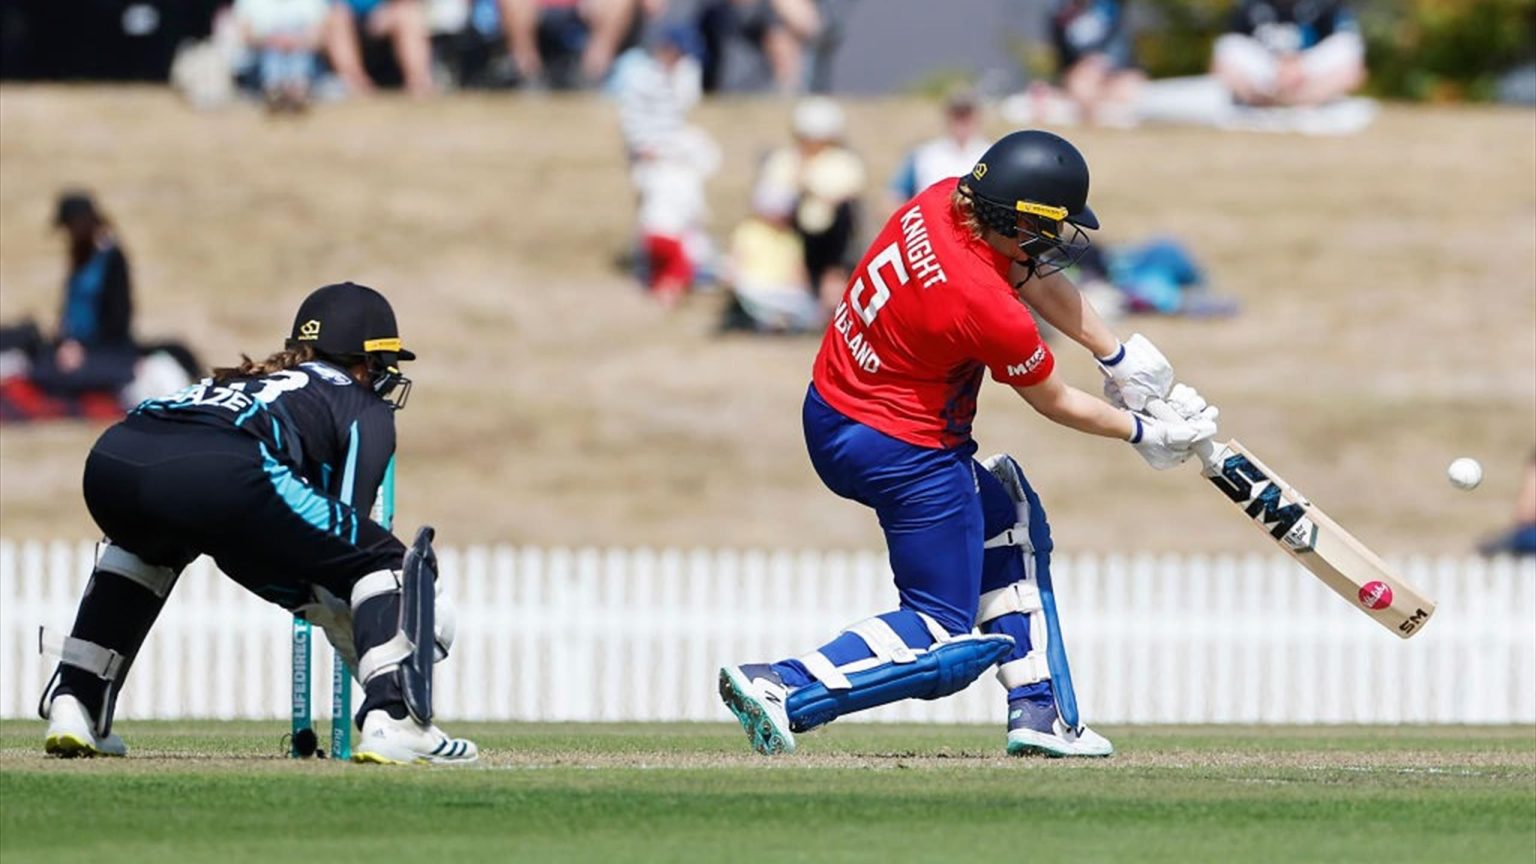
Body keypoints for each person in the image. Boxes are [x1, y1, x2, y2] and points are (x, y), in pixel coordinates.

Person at [717, 130, 1218, 757]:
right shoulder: (983, 305)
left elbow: (1029, 277)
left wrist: (1116, 355)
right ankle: (781, 685)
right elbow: (1054, 400)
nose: (1054, 242)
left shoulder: (942, 201)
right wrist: (1147, 431)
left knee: (1004, 520)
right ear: (1017, 219)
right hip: (904, 448)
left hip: (836, 410)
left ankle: (1040, 714)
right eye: (1048, 227)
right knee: (938, 631)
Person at [38, 282, 477, 765]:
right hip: (227, 469)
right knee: (386, 561)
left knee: (147, 546)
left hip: (114, 458)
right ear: (365, 361)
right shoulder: (360, 403)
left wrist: (304, 595)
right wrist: (347, 612)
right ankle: (397, 720)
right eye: (382, 366)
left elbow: (243, 545)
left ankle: (76, 701)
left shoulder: (244, 380)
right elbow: (347, 538)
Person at [753, 96, 865, 312]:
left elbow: (843, 198)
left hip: (831, 238)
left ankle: (831, 283)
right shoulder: (783, 160)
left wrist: (807, 185)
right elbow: (767, 201)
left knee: (843, 214)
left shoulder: (843, 162)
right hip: (788, 232)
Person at [1212, 0, 1365, 107]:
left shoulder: (1326, 5)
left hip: (1308, 71)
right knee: (1227, 45)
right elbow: (1226, 57)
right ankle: (1270, 101)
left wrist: (1298, 67)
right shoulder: (1250, 5)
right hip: (1267, 74)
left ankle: (1302, 99)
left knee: (1348, 44)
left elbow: (1354, 69)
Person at [886, 89, 991, 213]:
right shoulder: (923, 155)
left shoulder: (991, 155)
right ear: (948, 116)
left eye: (966, 114)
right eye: (957, 114)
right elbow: (894, 197)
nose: (962, 121)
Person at [1049, 0, 1145, 126]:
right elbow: (1065, 58)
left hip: (1116, 71)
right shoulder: (1062, 14)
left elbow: (1120, 48)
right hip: (1082, 74)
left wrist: (1106, 64)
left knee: (1128, 87)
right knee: (1083, 83)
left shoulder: (1110, 7)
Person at [325, 0, 436, 97]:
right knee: (337, 19)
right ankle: (356, 85)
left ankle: (419, 82)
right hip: (347, 29)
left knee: (407, 14)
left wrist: (387, 9)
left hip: (386, 21)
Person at [234, 0, 330, 109]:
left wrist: (294, 42)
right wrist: (272, 42)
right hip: (262, 59)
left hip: (304, 56)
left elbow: (320, 37)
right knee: (272, 56)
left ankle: (293, 89)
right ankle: (277, 90)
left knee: (299, 56)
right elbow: (245, 36)